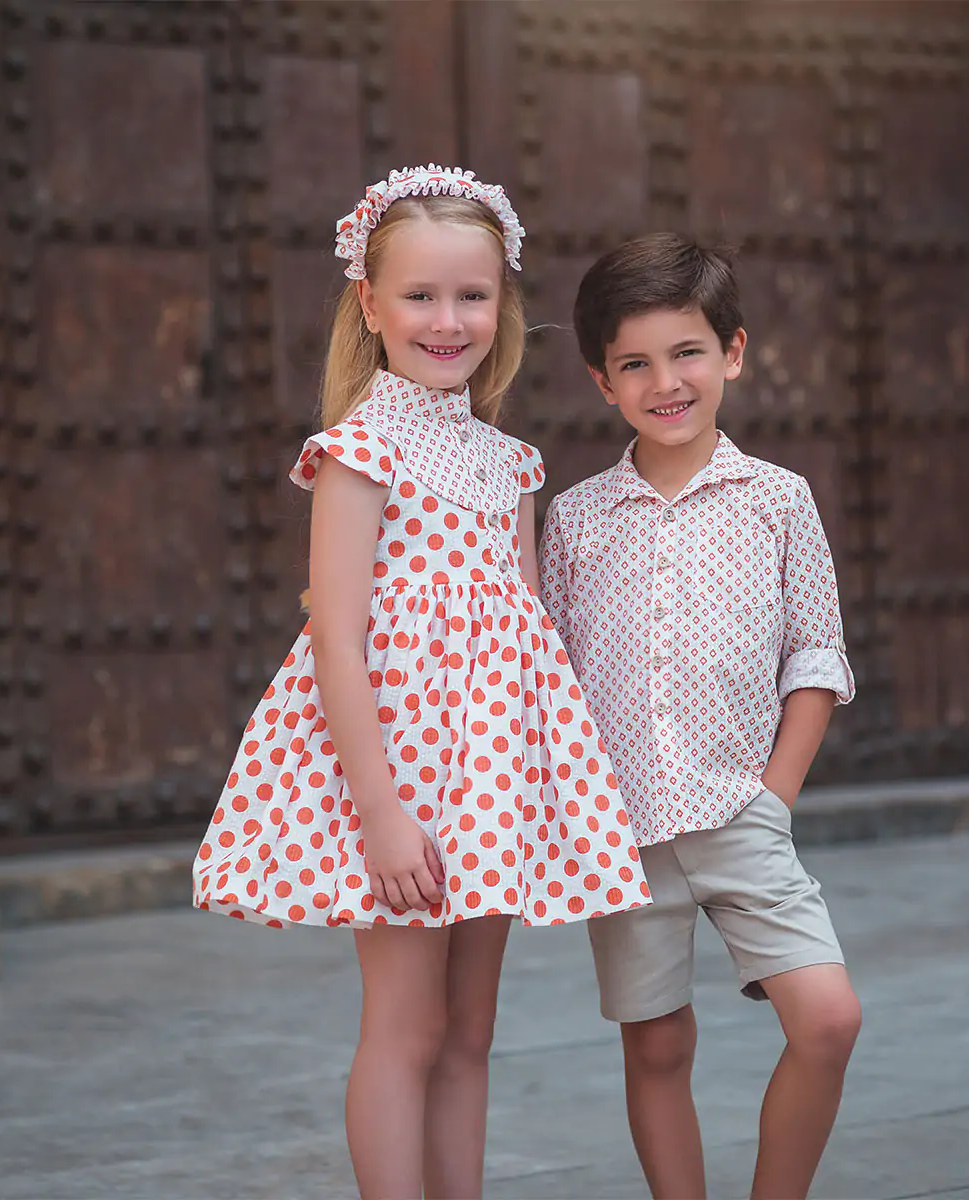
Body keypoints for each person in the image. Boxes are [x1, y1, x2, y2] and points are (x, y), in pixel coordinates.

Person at [193, 166, 649, 1200]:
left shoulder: (510, 464)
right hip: (396, 779)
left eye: (472, 295)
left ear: (503, 304)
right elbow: (336, 641)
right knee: (405, 1027)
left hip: (486, 778)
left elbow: (525, 639)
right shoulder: (356, 453)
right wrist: (382, 815)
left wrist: (539, 791)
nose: (448, 321)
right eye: (420, 295)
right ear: (370, 303)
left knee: (468, 1032)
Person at [539, 233, 861, 1200]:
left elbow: (816, 655)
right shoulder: (577, 518)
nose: (665, 382)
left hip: (741, 814)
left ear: (733, 352)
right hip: (621, 833)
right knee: (657, 1046)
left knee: (828, 1020)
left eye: (686, 353)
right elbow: (552, 672)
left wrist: (776, 795)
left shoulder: (779, 501)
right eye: (635, 363)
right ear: (603, 382)